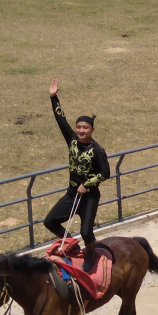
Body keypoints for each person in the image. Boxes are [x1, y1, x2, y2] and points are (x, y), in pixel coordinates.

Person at [43, 79, 110, 272]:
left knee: (86, 231)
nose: (81, 130)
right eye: (79, 127)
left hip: (89, 196)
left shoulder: (97, 150)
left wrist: (88, 184)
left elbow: (105, 172)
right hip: (72, 194)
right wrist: (54, 97)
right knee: (50, 221)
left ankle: (91, 255)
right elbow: (60, 119)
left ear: (92, 130)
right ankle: (73, 246)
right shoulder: (72, 140)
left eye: (85, 128)